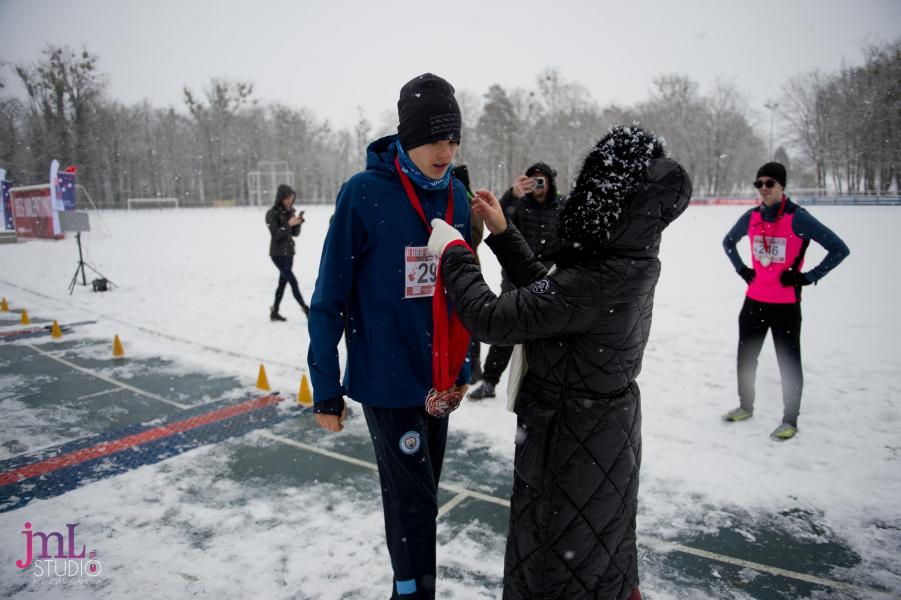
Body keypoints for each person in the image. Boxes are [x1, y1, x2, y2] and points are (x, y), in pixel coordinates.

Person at [427, 124, 691, 600]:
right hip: (597, 440)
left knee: (553, 570)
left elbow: (493, 318)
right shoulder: (625, 259)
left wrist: (454, 253)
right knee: (593, 559)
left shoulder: (599, 276)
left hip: (571, 443)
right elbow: (549, 298)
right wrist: (504, 237)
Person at [307, 73, 472, 600]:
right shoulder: (364, 194)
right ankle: (412, 592)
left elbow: (467, 295)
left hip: (439, 381)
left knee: (421, 495)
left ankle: (408, 584)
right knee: (414, 503)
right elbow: (328, 298)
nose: (444, 151)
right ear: (405, 136)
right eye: (432, 138)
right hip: (386, 379)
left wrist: (464, 371)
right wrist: (325, 387)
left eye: (453, 138)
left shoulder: (459, 198)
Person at [722, 162, 850, 440]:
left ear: (782, 186)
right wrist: (742, 269)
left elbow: (839, 249)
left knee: (788, 362)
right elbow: (728, 242)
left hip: (785, 305)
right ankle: (746, 406)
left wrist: (808, 276)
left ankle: (789, 420)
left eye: (770, 183)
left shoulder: (798, 218)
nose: (764, 189)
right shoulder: (752, 216)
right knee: (746, 359)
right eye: (759, 184)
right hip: (754, 301)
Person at [467, 162, 565, 399]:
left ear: (551, 182)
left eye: (542, 180)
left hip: (550, 280)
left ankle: (550, 385)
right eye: (532, 180)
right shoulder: (518, 203)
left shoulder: (563, 206)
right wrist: (512, 194)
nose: (537, 185)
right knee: (506, 330)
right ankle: (490, 382)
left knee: (551, 337)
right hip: (515, 277)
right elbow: (498, 218)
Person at [451, 164, 486, 383]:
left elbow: (475, 235)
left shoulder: (467, 201)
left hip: (467, 267)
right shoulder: (467, 198)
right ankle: (470, 366)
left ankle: (473, 366)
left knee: (468, 319)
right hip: (468, 266)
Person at [265, 184, 309, 321]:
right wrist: (288, 224)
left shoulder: (290, 212)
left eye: (292, 198)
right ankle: (306, 309)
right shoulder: (272, 214)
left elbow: (295, 234)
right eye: (288, 198)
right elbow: (276, 234)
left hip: (289, 253)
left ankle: (274, 311)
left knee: (282, 283)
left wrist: (298, 223)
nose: (290, 201)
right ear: (281, 198)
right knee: (293, 281)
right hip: (277, 254)